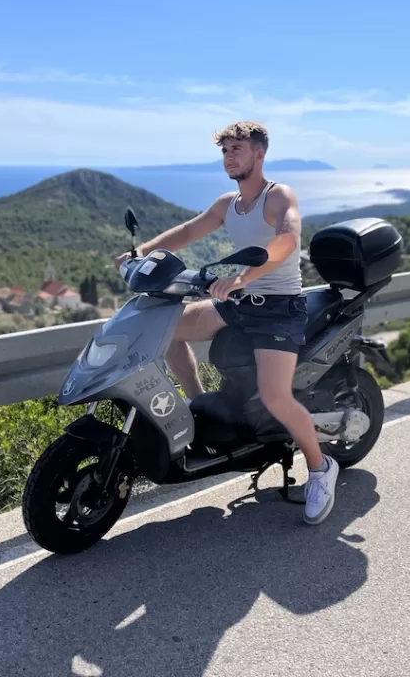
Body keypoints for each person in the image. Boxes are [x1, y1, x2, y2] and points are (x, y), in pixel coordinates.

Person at [114, 121, 339, 525]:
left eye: (238, 149)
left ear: (259, 154)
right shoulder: (227, 204)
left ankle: (321, 469)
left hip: (278, 308)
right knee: (167, 328)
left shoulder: (278, 196)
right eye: (225, 151)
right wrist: (141, 253)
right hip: (239, 301)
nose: (230, 157)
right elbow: (188, 231)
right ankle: (198, 407)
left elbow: (287, 238)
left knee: (275, 397)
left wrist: (244, 277)